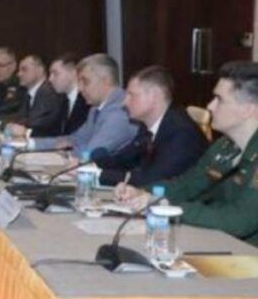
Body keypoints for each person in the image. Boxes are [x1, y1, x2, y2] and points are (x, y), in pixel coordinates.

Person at [116, 62, 258, 245]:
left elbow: (238, 221)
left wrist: (168, 208)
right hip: (221, 241)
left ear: (248, 109)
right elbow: (188, 185)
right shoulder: (225, 146)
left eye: (219, 99)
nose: (210, 106)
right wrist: (143, 193)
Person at [95, 66, 207, 186]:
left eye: (132, 95)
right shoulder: (147, 126)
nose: (124, 102)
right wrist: (90, 165)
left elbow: (150, 181)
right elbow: (124, 159)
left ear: (154, 96)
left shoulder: (181, 133)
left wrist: (98, 175)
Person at [32, 53, 138, 157]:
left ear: (106, 81)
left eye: (86, 82)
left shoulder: (120, 112)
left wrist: (67, 151)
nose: (80, 88)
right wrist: (32, 143)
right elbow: (76, 139)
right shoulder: (96, 109)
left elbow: (91, 153)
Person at [4, 55, 65, 137]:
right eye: (19, 70)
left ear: (40, 70)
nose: (19, 74)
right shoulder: (28, 93)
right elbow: (20, 117)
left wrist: (1, 123)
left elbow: (34, 122)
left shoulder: (48, 92)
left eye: (24, 69)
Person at [45, 53, 89, 136]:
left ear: (73, 73)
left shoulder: (88, 101)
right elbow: (53, 132)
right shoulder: (62, 101)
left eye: (55, 73)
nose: (50, 79)